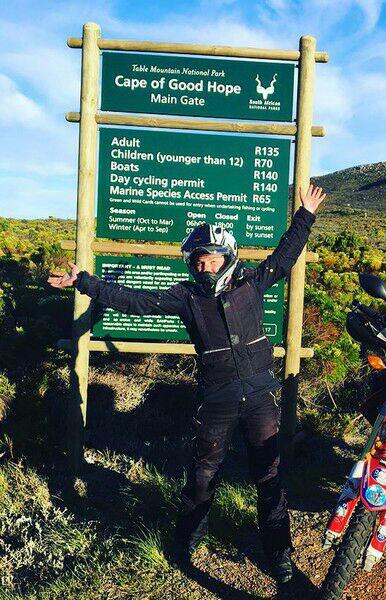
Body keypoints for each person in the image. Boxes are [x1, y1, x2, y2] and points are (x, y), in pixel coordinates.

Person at [48, 184, 327, 584]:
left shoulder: (253, 282)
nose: (205, 268)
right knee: (202, 476)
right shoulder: (186, 297)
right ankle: (184, 545)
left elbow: (285, 256)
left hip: (261, 396)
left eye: (212, 260)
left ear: (227, 257)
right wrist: (85, 282)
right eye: (198, 262)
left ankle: (280, 558)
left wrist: (305, 215)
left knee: (269, 476)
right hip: (216, 399)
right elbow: (134, 300)